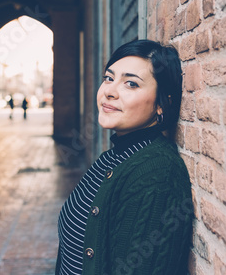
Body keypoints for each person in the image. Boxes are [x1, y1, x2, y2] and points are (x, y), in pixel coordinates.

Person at [56, 40, 193, 275]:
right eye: (109, 78)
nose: (109, 91)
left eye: (131, 84)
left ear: (162, 104)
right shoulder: (112, 158)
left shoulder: (157, 174)